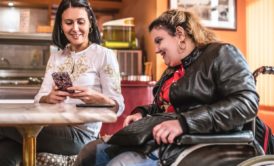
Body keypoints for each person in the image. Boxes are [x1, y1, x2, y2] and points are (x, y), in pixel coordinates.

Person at [74, 9, 259, 166]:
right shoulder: (173, 70)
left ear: (180, 34)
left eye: (159, 40)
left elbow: (246, 103)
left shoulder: (221, 53)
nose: (156, 49)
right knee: (89, 152)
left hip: (196, 143)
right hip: (159, 138)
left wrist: (184, 123)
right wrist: (142, 113)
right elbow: (166, 108)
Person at [0, 0, 124, 165]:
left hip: (81, 135)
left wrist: (98, 98)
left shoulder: (104, 55)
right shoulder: (56, 57)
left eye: (80, 22)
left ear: (90, 24)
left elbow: (119, 106)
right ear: (61, 26)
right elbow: (39, 99)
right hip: (49, 126)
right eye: (68, 22)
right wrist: (48, 98)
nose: (75, 28)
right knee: (5, 151)